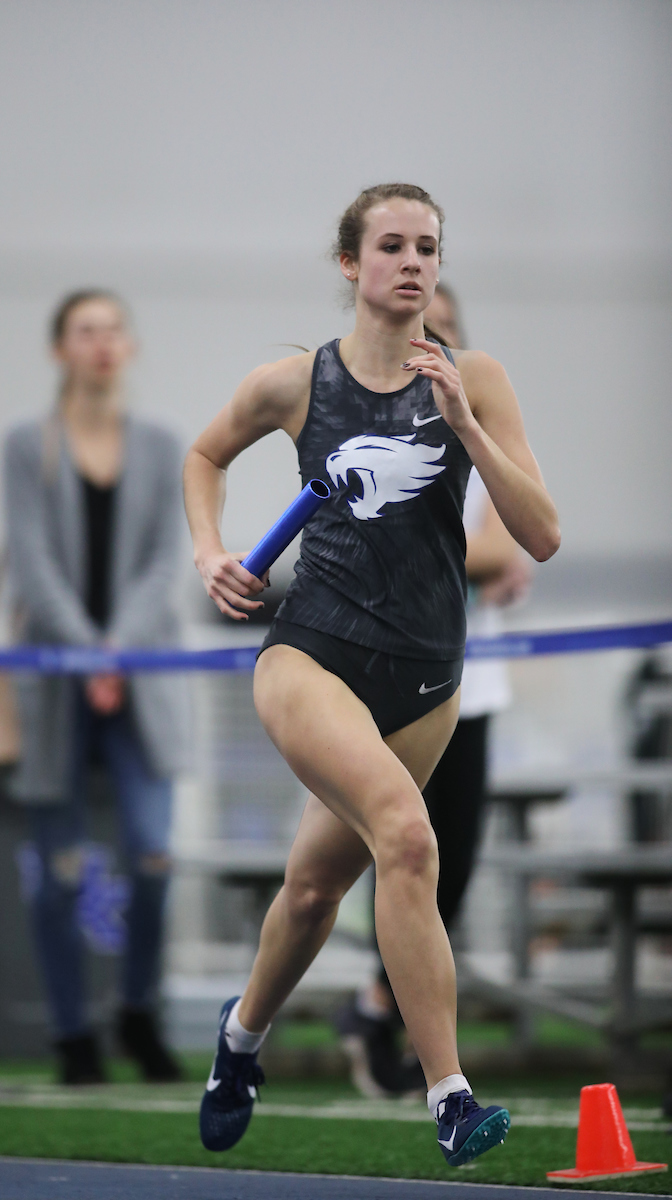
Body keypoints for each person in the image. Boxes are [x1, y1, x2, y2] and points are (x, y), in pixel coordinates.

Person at [184, 182, 560, 1166]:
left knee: (310, 894)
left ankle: (239, 1040)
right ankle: (447, 1092)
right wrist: (207, 552)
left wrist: (467, 429)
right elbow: (203, 454)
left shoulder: (475, 376)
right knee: (406, 837)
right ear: (350, 264)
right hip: (311, 651)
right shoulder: (294, 381)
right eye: (389, 245)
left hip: (427, 675)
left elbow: (542, 536)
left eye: (425, 246)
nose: (410, 262)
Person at [337, 283, 534, 1099]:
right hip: (382, 685)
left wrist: (480, 552)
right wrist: (475, 557)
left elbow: (522, 541)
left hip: (471, 684)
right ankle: (386, 1031)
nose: (431, 344)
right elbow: (474, 558)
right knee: (390, 857)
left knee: (450, 864)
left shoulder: (481, 431)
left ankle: (380, 1008)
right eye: (422, 329)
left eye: (446, 332)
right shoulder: (361, 425)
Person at [4, 290, 189, 1084]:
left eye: (114, 330)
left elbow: (163, 563)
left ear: (131, 346)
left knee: (152, 856)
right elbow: (33, 562)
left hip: (141, 677)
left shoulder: (159, 444)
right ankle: (72, 1032)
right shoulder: (28, 445)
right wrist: (89, 654)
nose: (103, 344)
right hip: (55, 682)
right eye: (87, 331)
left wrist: (117, 652)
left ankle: (138, 1015)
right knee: (60, 872)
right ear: (60, 350)